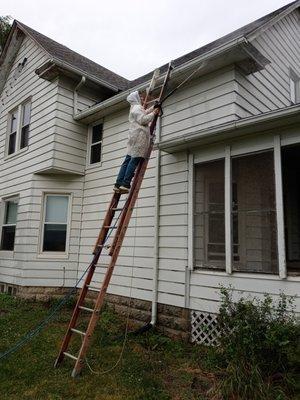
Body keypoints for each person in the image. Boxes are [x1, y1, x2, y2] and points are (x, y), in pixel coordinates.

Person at [113, 90, 160, 194]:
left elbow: (143, 113)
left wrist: (153, 108)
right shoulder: (137, 107)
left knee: (128, 159)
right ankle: (125, 184)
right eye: (140, 97)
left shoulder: (134, 107)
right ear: (136, 98)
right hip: (139, 136)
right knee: (134, 159)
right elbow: (143, 120)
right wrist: (154, 113)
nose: (142, 98)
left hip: (133, 136)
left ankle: (118, 184)